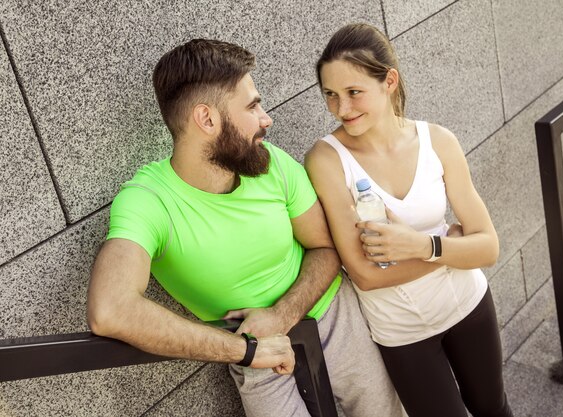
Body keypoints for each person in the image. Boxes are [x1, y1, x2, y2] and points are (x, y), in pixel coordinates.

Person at [87, 38, 403, 417]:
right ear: (207, 119)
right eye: (252, 106)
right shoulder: (146, 201)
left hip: (334, 316)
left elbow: (326, 247)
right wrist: (247, 350)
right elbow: (110, 309)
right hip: (254, 355)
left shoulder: (273, 163)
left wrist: (282, 316)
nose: (266, 118)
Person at [305, 23, 514, 417]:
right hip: (402, 332)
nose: (341, 109)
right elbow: (365, 274)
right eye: (330, 95)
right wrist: (451, 250)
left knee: (492, 408)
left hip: (467, 305)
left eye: (354, 93)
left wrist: (422, 246)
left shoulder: (438, 141)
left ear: (389, 81)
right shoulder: (326, 160)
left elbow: (488, 247)